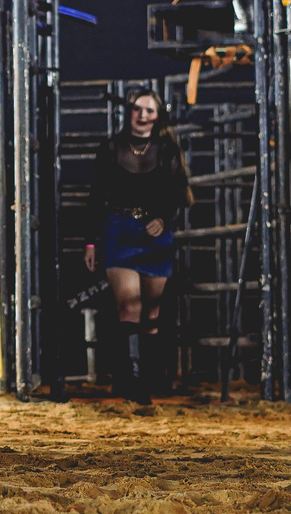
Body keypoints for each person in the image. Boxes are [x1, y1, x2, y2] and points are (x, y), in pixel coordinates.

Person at [83, 88, 191, 405]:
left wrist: (163, 217)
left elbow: (177, 191)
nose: (143, 116)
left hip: (155, 233)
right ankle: (131, 382)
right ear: (129, 112)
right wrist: (90, 241)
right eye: (138, 109)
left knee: (152, 312)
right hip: (118, 229)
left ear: (158, 117)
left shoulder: (167, 150)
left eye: (149, 111)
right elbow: (95, 196)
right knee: (129, 305)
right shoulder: (110, 148)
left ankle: (147, 379)